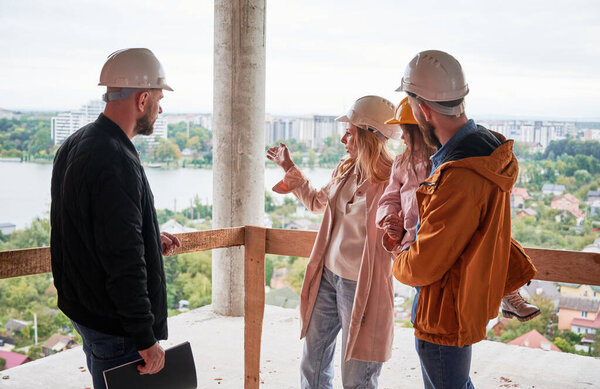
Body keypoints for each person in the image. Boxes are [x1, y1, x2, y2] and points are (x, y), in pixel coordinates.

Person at [391, 50, 537, 388]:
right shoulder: (486, 148)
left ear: (424, 109)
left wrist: (399, 259)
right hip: (459, 298)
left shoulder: (459, 175)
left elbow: (425, 263)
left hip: (445, 311)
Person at [50, 48, 181, 389]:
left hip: (90, 315)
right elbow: (122, 258)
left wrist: (150, 239)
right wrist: (145, 338)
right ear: (141, 100)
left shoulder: (76, 144)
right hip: (119, 330)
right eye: (157, 99)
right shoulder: (114, 158)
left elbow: (88, 232)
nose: (160, 108)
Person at [267, 95, 398, 388]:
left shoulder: (394, 179)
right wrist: (288, 167)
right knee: (312, 362)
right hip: (328, 276)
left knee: (357, 376)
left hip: (362, 284)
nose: (342, 139)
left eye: (349, 133)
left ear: (369, 136)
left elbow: (405, 234)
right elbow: (316, 202)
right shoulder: (346, 169)